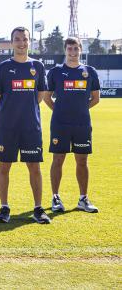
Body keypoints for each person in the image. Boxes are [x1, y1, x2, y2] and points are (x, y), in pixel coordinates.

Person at [0, 27, 50, 224]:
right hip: (8, 127)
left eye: (25, 39)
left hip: (31, 126)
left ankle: (38, 208)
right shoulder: (3, 67)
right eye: (17, 39)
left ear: (29, 41)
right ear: (12, 42)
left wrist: (26, 110)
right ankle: (4, 207)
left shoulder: (38, 66)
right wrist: (10, 112)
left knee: (34, 166)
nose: (21, 43)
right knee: (4, 166)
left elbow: (40, 94)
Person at [44, 37, 100, 213]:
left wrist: (81, 110)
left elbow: (96, 98)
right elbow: (47, 97)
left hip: (82, 124)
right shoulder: (56, 72)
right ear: (65, 50)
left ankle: (83, 199)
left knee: (82, 160)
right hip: (60, 124)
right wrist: (59, 111)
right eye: (70, 49)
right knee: (58, 159)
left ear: (80, 50)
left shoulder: (89, 71)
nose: (73, 52)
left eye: (76, 49)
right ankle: (55, 197)